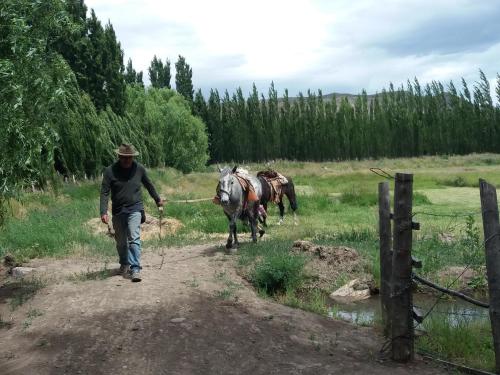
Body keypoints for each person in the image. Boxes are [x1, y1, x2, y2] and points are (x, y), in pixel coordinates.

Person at [100, 143, 164, 282]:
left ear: (133, 157)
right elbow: (104, 192)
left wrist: (157, 199)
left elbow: (149, 185)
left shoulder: (139, 169)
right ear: (119, 156)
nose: (127, 160)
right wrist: (103, 211)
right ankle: (124, 263)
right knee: (121, 242)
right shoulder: (110, 171)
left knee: (133, 238)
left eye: (129, 158)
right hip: (118, 211)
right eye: (124, 157)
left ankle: (135, 268)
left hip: (135, 209)